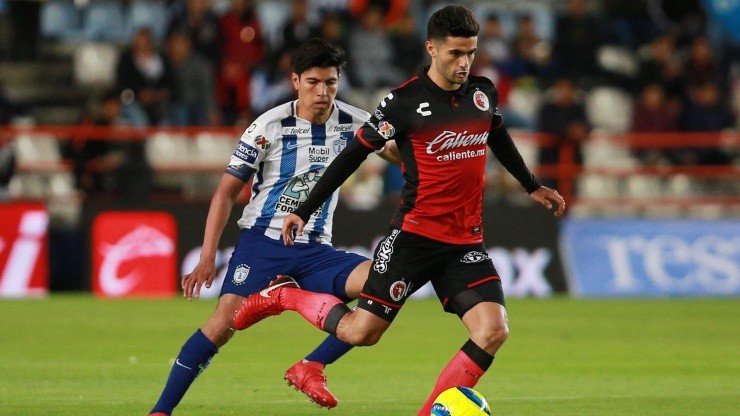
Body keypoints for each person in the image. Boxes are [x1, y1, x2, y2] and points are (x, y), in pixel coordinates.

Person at [234, 5, 565, 415]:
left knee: (493, 330)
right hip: (414, 238)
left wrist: (531, 184)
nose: (464, 64)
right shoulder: (403, 102)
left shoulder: (482, 93)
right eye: (455, 54)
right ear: (432, 48)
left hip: (464, 242)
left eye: (470, 54)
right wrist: (305, 208)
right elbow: (352, 155)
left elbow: (497, 135)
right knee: (362, 332)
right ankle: (284, 296)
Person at [148, 38, 399, 415]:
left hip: (315, 251)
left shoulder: (355, 122)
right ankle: (160, 412)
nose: (323, 92)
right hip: (262, 244)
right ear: (295, 80)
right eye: (313, 82)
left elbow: (400, 155)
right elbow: (225, 194)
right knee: (221, 326)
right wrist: (206, 256)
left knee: (388, 284)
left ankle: (311, 365)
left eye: (330, 82)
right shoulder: (268, 126)